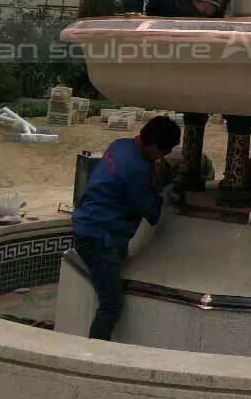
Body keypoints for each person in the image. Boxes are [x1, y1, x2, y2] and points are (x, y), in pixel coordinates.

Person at [72, 115, 182, 340]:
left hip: (86, 226)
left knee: (106, 293)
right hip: (101, 239)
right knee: (111, 304)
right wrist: (165, 194)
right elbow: (151, 214)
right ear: (153, 145)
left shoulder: (120, 145)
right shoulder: (135, 170)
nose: (165, 156)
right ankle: (93, 357)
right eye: (165, 151)